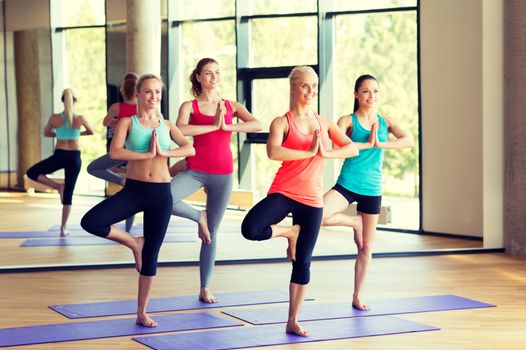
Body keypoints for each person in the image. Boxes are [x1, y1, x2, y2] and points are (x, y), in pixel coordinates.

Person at [241, 66, 358, 337]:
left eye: (315, 85)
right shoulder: (281, 122)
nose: (311, 91)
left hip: (312, 198)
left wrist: (326, 154)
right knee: (251, 228)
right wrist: (309, 151)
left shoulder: (324, 122)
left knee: (303, 262)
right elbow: (273, 151)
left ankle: (292, 320)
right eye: (306, 85)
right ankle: (289, 232)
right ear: (293, 88)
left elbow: (351, 148)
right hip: (284, 191)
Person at [80, 74, 194, 327]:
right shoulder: (127, 122)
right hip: (134, 190)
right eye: (148, 92)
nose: (153, 97)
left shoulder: (166, 124)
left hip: (161, 193)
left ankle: (142, 312)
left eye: (157, 92)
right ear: (138, 94)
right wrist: (147, 154)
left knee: (152, 256)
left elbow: (189, 148)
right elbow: (116, 152)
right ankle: (134, 242)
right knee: (92, 221)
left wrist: (165, 152)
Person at [169, 58, 262, 303]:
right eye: (208, 73)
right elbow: (179, 130)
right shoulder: (190, 106)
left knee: (212, 233)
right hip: (196, 169)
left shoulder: (230, 105)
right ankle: (198, 216)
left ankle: (205, 287)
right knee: (163, 198)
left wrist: (228, 127)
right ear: (198, 76)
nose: (213, 77)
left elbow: (256, 124)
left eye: (217, 73)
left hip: (223, 173)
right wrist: (213, 125)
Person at [321, 74, 414, 311]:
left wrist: (381, 144)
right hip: (347, 184)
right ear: (356, 94)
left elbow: (408, 140)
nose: (371, 96)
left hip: (372, 188)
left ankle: (357, 296)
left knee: (364, 246)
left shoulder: (385, 121)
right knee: (317, 214)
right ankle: (353, 222)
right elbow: (335, 148)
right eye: (365, 91)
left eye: (375, 91)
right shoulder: (347, 121)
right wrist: (365, 143)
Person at [26, 88, 94, 237]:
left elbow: (46, 133)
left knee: (31, 172)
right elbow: (91, 131)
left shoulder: (54, 118)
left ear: (63, 101)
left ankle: (58, 186)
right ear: (74, 101)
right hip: (74, 157)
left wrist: (59, 133)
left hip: (60, 154)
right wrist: (77, 133)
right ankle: (63, 228)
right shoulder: (80, 119)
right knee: (68, 194)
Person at [87, 72, 138, 232]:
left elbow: (106, 123)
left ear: (123, 88)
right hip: (131, 151)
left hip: (124, 150)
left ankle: (121, 180)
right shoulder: (140, 108)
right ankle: (128, 228)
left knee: (93, 168)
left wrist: (117, 121)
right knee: (132, 191)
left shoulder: (117, 107)